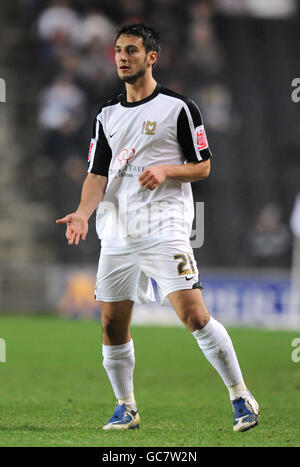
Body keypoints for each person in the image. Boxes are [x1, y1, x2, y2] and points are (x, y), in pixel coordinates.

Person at [56, 23, 259, 432]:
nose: (121, 57)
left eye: (131, 50)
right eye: (117, 50)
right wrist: (82, 212)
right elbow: (97, 175)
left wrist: (166, 169)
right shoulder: (106, 114)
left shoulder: (179, 108)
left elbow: (203, 165)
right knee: (112, 324)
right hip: (116, 230)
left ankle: (240, 395)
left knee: (194, 315)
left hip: (164, 227)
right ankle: (126, 406)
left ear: (152, 57)